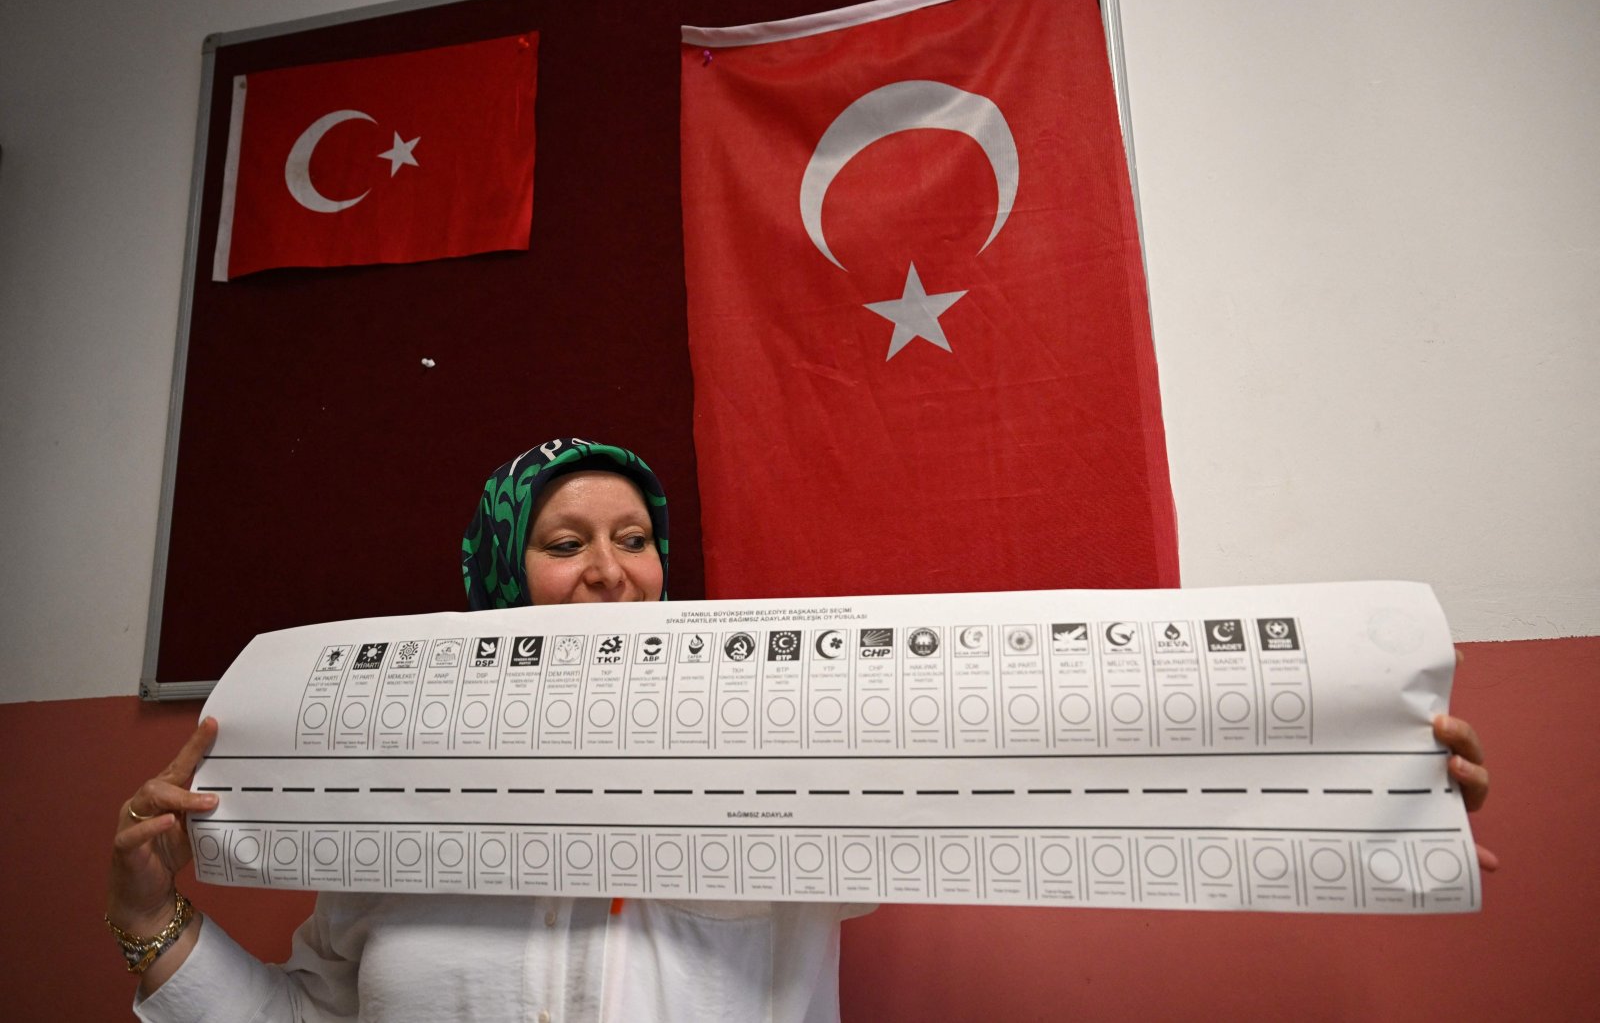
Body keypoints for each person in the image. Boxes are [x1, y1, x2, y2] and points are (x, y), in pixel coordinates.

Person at [108, 437, 1496, 1021]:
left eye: (638, 539)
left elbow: (1056, 766)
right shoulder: (378, 820)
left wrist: (1359, 773)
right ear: (496, 574)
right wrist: (155, 922)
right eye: (564, 542)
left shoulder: (799, 756)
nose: (610, 570)